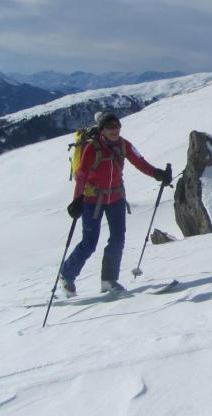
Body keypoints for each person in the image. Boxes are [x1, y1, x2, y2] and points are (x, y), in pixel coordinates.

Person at [60, 112, 171, 296]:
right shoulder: (92, 149)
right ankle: (67, 274)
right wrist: (77, 199)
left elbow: (139, 162)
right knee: (89, 243)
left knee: (118, 239)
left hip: (116, 199)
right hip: (92, 201)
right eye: (110, 127)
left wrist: (158, 174)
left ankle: (109, 281)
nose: (114, 130)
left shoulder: (124, 145)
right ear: (102, 129)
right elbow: (81, 176)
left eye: (117, 126)